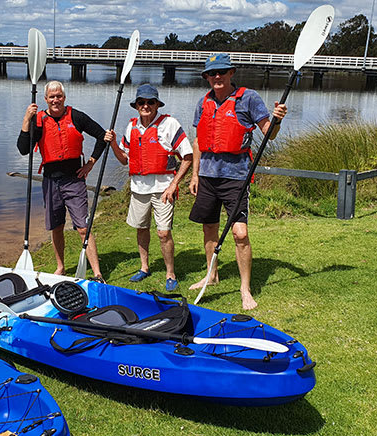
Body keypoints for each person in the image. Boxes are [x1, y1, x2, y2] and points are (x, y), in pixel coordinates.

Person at [188, 53, 287, 310]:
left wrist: (276, 119)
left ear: (232, 73)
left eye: (221, 72)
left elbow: (269, 134)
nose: (216, 77)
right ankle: (212, 275)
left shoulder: (249, 98)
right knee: (209, 228)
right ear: (207, 77)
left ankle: (245, 288)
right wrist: (195, 174)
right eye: (212, 73)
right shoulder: (203, 102)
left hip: (237, 177)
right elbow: (198, 141)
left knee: (240, 233)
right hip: (208, 176)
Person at [104, 84, 192, 291]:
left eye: (150, 102)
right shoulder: (131, 126)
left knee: (163, 233)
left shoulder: (169, 124)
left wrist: (173, 185)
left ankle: (170, 273)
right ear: (136, 106)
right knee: (141, 229)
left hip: (163, 190)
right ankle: (144, 268)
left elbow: (188, 156)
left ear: (156, 104)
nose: (146, 106)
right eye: (141, 102)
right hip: (138, 189)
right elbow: (124, 159)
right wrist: (114, 144)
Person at [17, 80, 107, 281]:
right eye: (52, 96)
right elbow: (23, 149)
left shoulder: (76, 116)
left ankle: (98, 273)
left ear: (64, 98)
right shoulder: (38, 121)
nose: (55, 100)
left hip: (74, 180)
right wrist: (26, 119)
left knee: (83, 227)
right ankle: (60, 267)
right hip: (50, 181)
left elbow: (102, 136)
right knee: (56, 227)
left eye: (59, 96)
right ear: (46, 99)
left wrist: (91, 163)